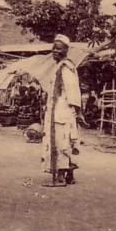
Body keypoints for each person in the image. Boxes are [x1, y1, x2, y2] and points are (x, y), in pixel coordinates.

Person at [41, 34, 85, 187]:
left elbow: (73, 91)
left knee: (61, 142)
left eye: (58, 49)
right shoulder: (60, 66)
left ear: (66, 50)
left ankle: (60, 177)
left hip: (62, 111)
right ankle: (69, 175)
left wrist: (78, 112)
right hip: (59, 110)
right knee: (66, 141)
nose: (54, 51)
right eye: (53, 48)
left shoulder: (66, 68)